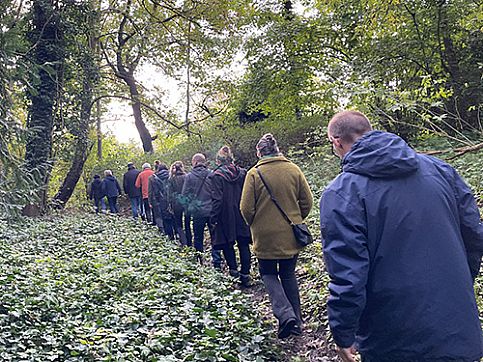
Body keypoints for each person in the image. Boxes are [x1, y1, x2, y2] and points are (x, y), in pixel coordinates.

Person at [319, 110, 483, 362]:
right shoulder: (441, 170)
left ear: (336, 142)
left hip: (393, 338)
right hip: (455, 325)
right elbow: (473, 235)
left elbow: (348, 275)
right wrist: (458, 285)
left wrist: (343, 333)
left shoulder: (342, 193)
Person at [240, 133, 313, 338]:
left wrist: (255, 223)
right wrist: (295, 218)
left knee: (268, 274)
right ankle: (296, 321)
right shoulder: (293, 169)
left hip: (264, 236)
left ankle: (285, 314)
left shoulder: (254, 174)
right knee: (288, 274)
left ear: (259, 152)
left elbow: (246, 209)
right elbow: (307, 202)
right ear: (277, 149)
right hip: (290, 233)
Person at [211, 146, 252, 287]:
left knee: (228, 244)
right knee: (244, 243)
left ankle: (233, 273)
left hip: (225, 215)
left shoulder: (216, 176)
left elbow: (217, 199)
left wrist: (213, 218)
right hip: (242, 212)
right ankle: (245, 275)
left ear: (218, 161)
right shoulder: (242, 173)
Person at [182, 153, 222, 269]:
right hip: (212, 211)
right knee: (215, 236)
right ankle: (217, 262)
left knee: (198, 237)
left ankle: (200, 261)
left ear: (194, 162)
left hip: (198, 212)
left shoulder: (189, 177)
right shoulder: (212, 174)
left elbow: (185, 195)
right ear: (204, 162)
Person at [148, 162, 174, 238]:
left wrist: (150, 201)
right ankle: (176, 233)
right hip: (171, 199)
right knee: (173, 216)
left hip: (159, 199)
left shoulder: (152, 178)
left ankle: (168, 234)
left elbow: (150, 191)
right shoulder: (171, 175)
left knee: (162, 216)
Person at [168, 161, 190, 246]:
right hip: (186, 203)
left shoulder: (171, 179)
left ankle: (183, 241)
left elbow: (169, 193)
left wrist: (169, 204)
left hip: (176, 204)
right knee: (187, 223)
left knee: (179, 223)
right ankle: (189, 242)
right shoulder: (187, 177)